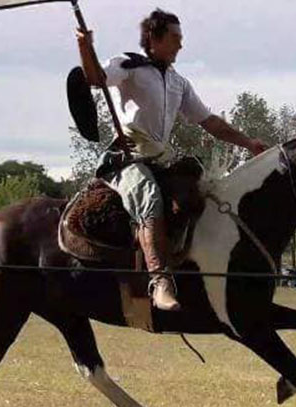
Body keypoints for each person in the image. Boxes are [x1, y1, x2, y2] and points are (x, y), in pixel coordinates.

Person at [76, 8, 267, 311]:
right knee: (150, 197)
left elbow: (209, 122)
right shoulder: (128, 64)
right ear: (154, 38)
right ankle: (160, 282)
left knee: (203, 193)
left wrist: (248, 142)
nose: (181, 44)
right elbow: (95, 78)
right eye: (175, 38)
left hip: (160, 160)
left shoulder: (179, 83)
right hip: (126, 159)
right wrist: (84, 47)